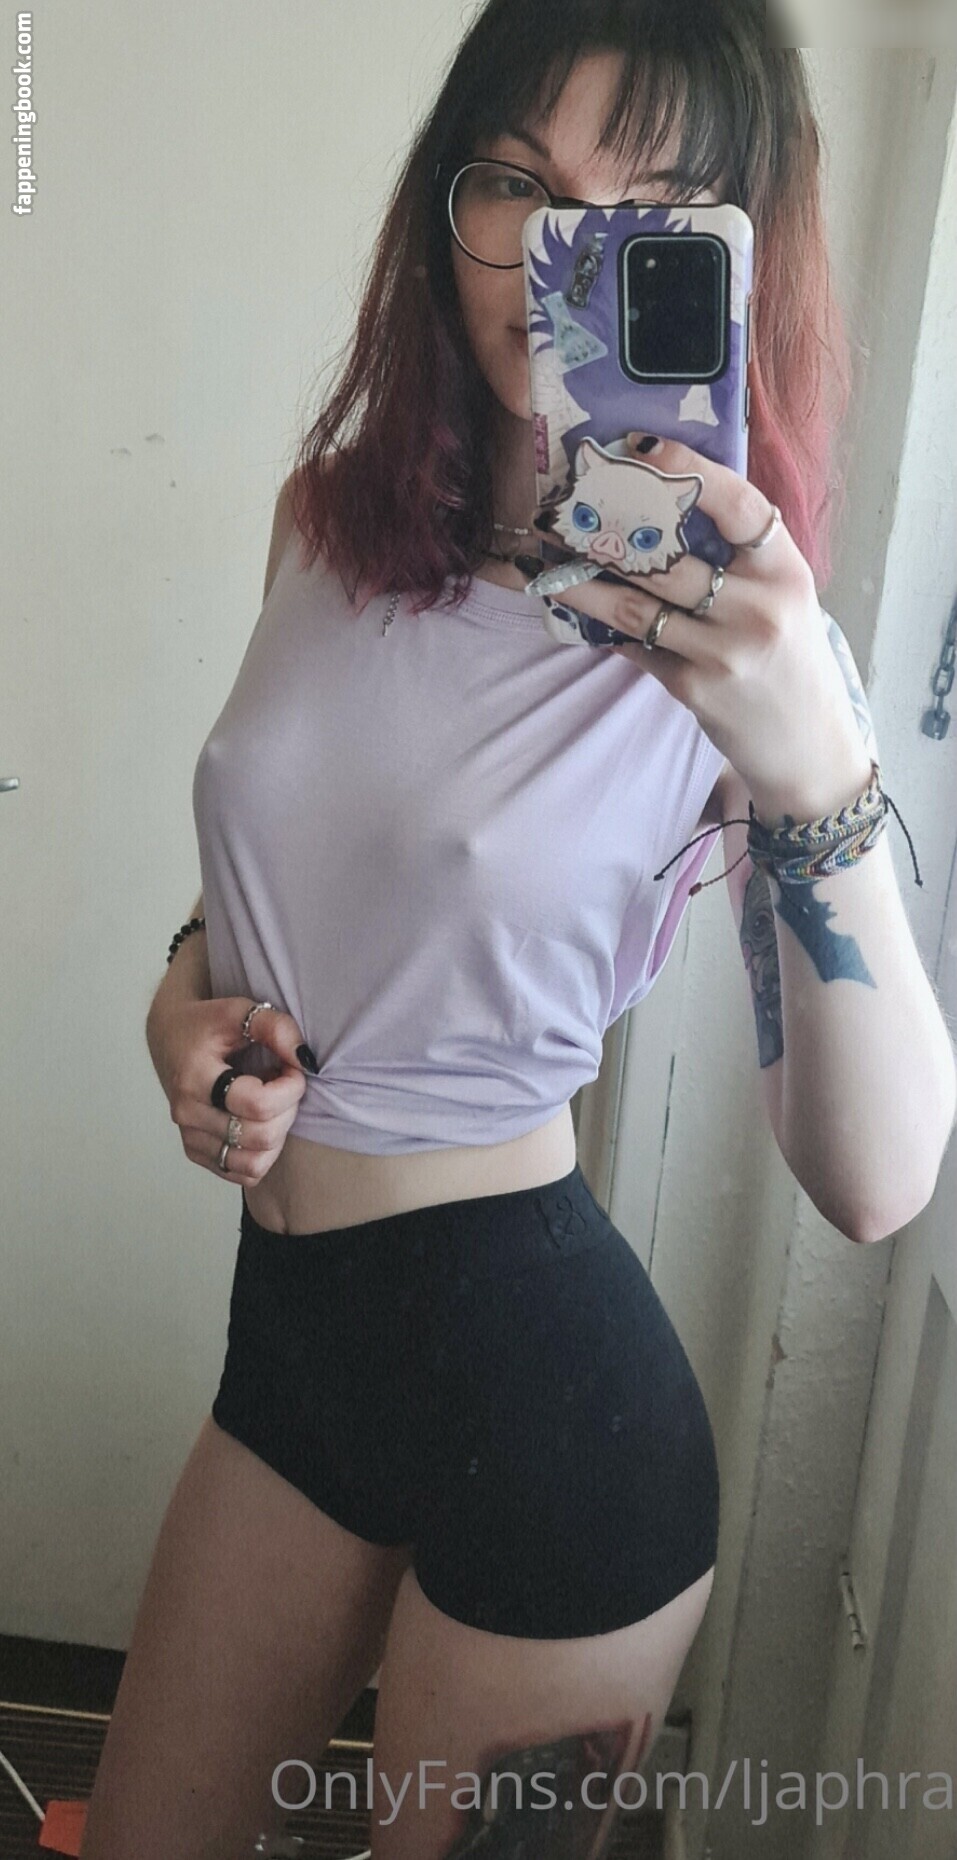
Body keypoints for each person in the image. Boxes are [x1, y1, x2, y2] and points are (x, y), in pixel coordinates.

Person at [80, 4, 957, 1857]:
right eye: (518, 185)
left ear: (733, 259)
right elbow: (285, 878)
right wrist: (186, 1005)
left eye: (649, 209)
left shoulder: (740, 647)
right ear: (446, 200)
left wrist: (812, 759)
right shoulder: (324, 527)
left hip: (551, 1407)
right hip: (291, 1350)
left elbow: (878, 1181)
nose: (562, 257)